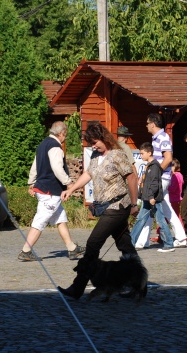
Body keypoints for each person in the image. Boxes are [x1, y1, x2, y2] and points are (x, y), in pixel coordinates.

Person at [57, 123, 139, 300]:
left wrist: (134, 203)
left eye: (95, 142)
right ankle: (139, 283)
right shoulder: (95, 155)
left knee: (93, 243)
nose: (93, 146)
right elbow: (88, 174)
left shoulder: (118, 155)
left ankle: (77, 288)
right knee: (125, 245)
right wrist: (70, 189)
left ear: (104, 138)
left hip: (118, 207)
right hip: (105, 207)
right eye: (91, 144)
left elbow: (132, 177)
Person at [18, 121, 85, 261]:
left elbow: (35, 166)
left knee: (60, 218)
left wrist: (31, 183)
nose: (65, 138)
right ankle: (26, 251)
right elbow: (57, 169)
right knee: (40, 221)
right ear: (60, 133)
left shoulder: (42, 145)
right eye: (65, 135)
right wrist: (68, 183)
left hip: (43, 190)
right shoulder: (55, 147)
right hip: (50, 192)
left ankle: (71, 248)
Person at [134, 113, 187, 249]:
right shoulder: (156, 138)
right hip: (160, 178)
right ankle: (180, 238)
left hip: (161, 178)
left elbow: (168, 158)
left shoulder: (163, 137)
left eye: (147, 123)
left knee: (148, 205)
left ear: (153, 124)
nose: (146, 126)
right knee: (164, 208)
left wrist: (155, 175)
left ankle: (141, 241)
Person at [131, 142, 175, 253]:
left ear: (149, 153)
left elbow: (154, 184)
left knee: (160, 220)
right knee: (140, 219)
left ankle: (169, 244)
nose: (141, 156)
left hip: (153, 199)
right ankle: (130, 243)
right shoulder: (149, 166)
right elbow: (148, 182)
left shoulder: (154, 166)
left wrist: (151, 197)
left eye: (142, 153)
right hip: (147, 198)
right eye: (140, 153)